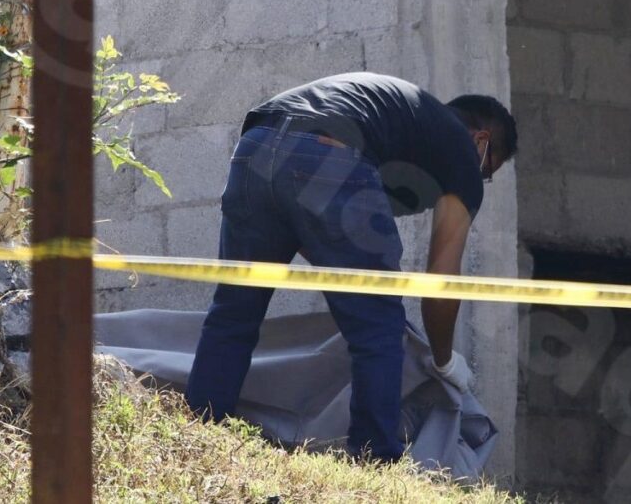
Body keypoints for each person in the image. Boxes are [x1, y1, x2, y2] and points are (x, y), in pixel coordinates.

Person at [185, 72, 518, 462]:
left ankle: (201, 430)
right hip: (326, 152)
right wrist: (444, 360)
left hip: (255, 145)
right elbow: (441, 283)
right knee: (380, 329)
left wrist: (357, 285)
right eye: (487, 171)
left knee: (234, 310)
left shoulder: (401, 123)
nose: (479, 178)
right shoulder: (459, 149)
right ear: (481, 141)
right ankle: (376, 458)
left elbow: (316, 234)